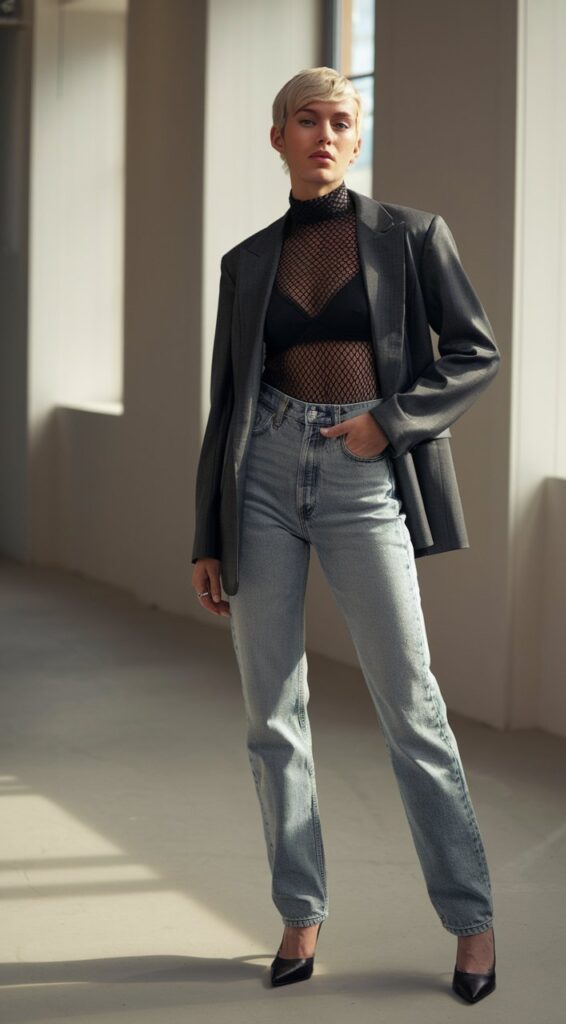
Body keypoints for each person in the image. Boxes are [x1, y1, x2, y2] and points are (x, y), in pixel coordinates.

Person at [191, 67, 499, 1003]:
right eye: (307, 121)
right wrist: (209, 531)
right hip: (264, 483)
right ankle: (299, 910)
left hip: (365, 473)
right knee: (271, 716)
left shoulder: (411, 237)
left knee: (412, 706)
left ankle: (472, 920)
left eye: (342, 122)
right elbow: (225, 406)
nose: (325, 134)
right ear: (276, 136)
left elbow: (474, 352)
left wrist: (389, 425)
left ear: (356, 139)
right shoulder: (245, 263)